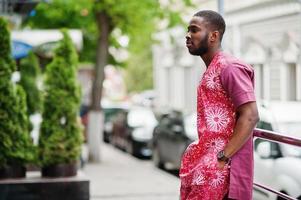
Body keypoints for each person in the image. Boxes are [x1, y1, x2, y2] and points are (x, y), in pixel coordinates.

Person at [180, 10, 259, 200]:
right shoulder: (214, 67)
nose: (188, 35)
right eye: (188, 30)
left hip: (224, 176)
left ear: (214, 36)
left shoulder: (229, 67)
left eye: (195, 30)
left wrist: (222, 157)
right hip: (207, 171)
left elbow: (250, 115)